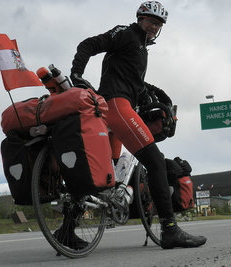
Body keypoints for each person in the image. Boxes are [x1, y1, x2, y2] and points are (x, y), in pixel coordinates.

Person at [68, 1, 207, 249]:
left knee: (102, 175)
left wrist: (154, 97)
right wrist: (77, 75)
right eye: (150, 21)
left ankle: (66, 230)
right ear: (140, 18)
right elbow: (88, 44)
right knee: (155, 160)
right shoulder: (126, 34)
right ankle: (170, 229)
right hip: (116, 106)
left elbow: (133, 82)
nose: (154, 26)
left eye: (158, 24)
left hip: (115, 110)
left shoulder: (141, 49)